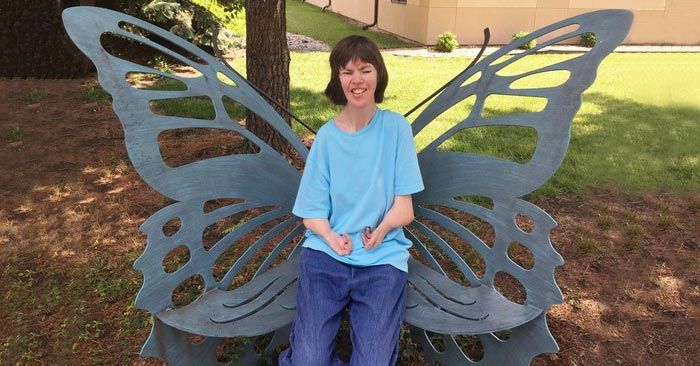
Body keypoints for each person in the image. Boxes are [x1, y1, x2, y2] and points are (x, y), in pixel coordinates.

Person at [278, 35, 424, 366]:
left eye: (365, 69)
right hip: (325, 258)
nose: (357, 80)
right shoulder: (327, 137)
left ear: (378, 75)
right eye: (347, 72)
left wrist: (382, 230)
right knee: (307, 361)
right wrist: (330, 236)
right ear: (338, 79)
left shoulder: (397, 129)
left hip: (382, 259)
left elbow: (405, 209)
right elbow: (311, 213)